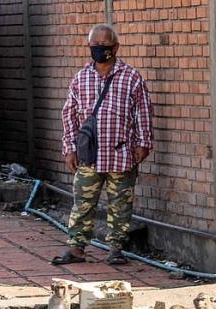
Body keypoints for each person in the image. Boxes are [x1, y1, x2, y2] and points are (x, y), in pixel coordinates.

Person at [52, 23, 152, 266]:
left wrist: (143, 143)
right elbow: (69, 115)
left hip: (121, 153)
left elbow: (143, 112)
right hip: (89, 156)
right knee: (83, 203)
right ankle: (76, 249)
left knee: (120, 204)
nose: (99, 50)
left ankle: (116, 249)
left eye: (104, 46)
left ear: (115, 47)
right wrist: (69, 148)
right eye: (94, 46)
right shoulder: (81, 78)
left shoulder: (131, 77)